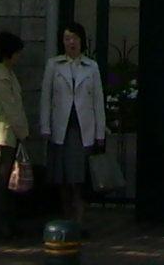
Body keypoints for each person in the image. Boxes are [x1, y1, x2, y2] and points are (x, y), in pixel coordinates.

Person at [37, 21, 107, 224]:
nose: (71, 42)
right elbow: (46, 97)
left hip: (82, 129)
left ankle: (78, 220)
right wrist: (45, 126)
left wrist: (99, 133)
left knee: (79, 178)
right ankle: (66, 217)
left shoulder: (91, 67)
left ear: (81, 40)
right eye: (67, 38)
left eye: (74, 38)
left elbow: (98, 101)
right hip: (61, 128)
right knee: (62, 178)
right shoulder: (54, 65)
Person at [0, 30, 31, 240]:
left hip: (10, 134)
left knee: (8, 181)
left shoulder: (8, 73)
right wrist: (24, 132)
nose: (19, 57)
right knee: (1, 181)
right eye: (17, 53)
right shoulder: (0, 76)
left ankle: (7, 222)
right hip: (3, 134)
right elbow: (11, 107)